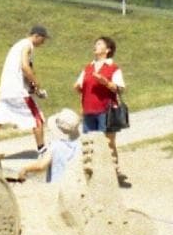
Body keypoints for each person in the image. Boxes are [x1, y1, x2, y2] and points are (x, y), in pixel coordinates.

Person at [0, 26, 50, 158]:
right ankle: (42, 150)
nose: (43, 43)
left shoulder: (17, 46)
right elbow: (25, 67)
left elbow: (20, 72)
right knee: (37, 118)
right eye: (43, 39)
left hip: (5, 91)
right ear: (37, 36)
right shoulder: (27, 45)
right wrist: (37, 83)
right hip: (17, 91)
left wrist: (34, 89)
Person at [74, 36, 126, 177]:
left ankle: (114, 170)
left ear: (107, 50)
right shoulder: (88, 67)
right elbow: (80, 86)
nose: (95, 45)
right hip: (88, 110)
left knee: (107, 142)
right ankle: (91, 173)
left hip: (105, 110)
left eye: (99, 44)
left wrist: (106, 83)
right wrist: (78, 87)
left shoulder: (113, 67)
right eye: (95, 43)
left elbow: (120, 88)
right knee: (88, 143)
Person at [16, 109, 80, 184]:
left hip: (58, 185)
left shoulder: (55, 146)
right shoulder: (78, 144)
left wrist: (26, 169)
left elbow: (41, 165)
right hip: (74, 183)